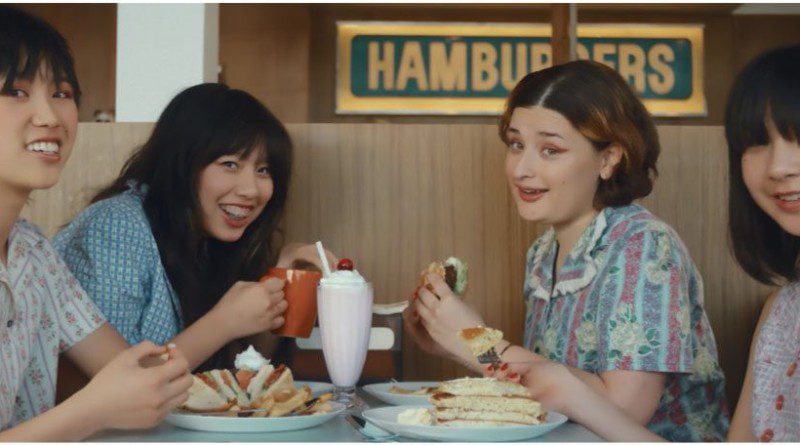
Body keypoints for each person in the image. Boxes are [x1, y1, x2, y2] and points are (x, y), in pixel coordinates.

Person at [403, 60, 729, 440]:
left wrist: (475, 339)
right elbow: (547, 387)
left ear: (608, 159)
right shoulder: (541, 254)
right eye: (516, 144)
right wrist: (456, 344)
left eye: (550, 150)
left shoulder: (644, 246)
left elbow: (622, 413)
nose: (521, 169)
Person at [0, 6, 191, 439]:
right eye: (16, 91)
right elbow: (106, 399)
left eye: (62, 93)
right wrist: (93, 410)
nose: (49, 116)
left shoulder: (33, 252)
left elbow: (141, 374)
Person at [53, 82, 333, 372]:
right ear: (182, 163)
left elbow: (247, 365)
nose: (251, 190)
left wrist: (283, 273)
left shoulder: (209, 237)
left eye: (263, 170)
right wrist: (223, 323)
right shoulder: (115, 226)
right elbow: (118, 383)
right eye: (230, 164)